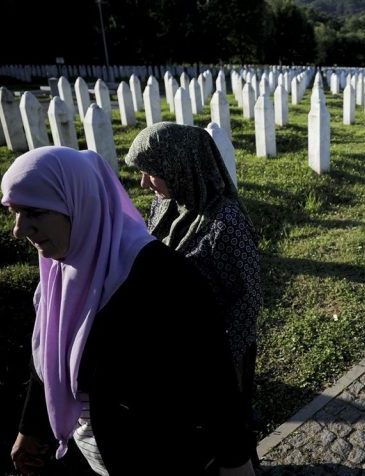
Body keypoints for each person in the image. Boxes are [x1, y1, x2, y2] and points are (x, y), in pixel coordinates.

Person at [3, 146, 254, 475]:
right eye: (15, 212)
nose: (19, 229)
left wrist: (236, 463)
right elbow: (51, 352)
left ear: (80, 205)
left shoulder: (164, 279)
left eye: (35, 213)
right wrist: (31, 427)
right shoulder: (57, 275)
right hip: (99, 458)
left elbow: (214, 380)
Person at [124, 123, 262, 462]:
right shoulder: (165, 204)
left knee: (226, 429)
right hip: (174, 346)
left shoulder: (226, 220)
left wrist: (224, 364)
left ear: (180, 165)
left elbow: (247, 298)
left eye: (151, 172)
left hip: (216, 351)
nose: (144, 183)